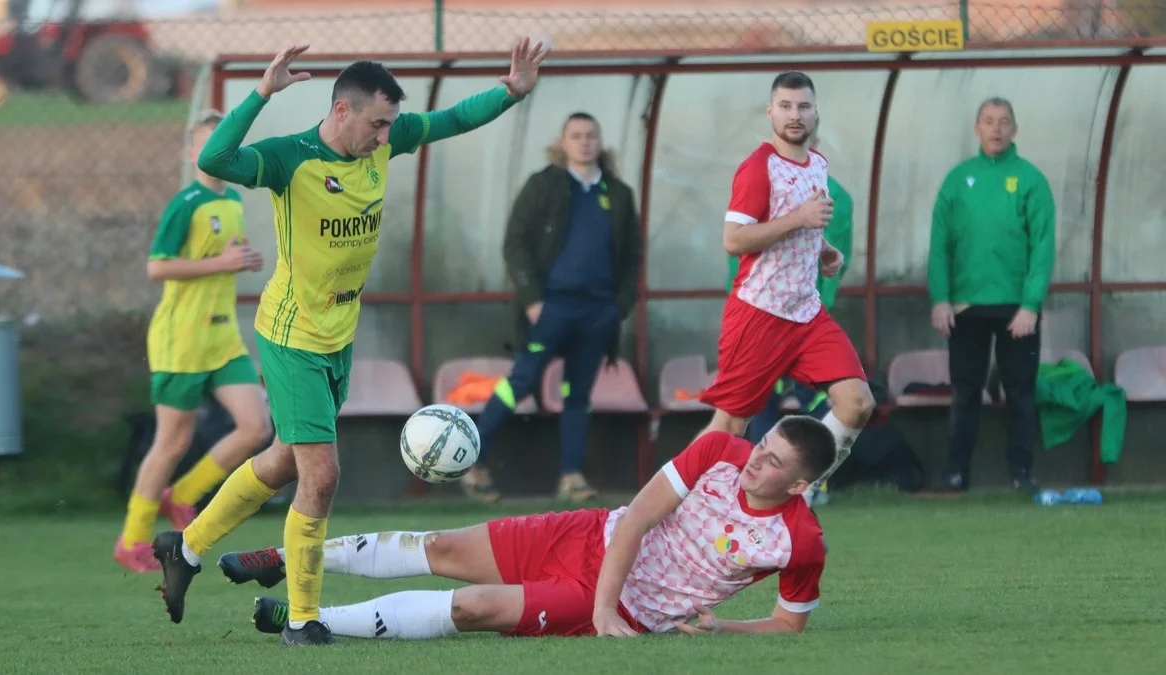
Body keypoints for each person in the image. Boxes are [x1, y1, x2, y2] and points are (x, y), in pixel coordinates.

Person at [150, 39, 548, 647]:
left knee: (286, 460)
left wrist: (511, 91)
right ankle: (305, 620)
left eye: (392, 125)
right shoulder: (291, 158)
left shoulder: (382, 144)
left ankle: (188, 548)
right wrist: (261, 93)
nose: (387, 137)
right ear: (342, 111)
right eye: (378, 124)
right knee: (322, 474)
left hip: (338, 335)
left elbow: (451, 120)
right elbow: (216, 155)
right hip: (291, 335)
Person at [215, 415, 835, 639]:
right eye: (763, 445)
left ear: (800, 486)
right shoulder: (721, 450)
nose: (756, 459)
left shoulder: (800, 540)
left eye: (774, 462)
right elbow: (639, 518)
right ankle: (280, 555)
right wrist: (600, 611)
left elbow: (788, 623)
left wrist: (722, 625)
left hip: (634, 607)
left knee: (472, 608)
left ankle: (310, 621)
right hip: (594, 536)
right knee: (443, 547)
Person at [698, 71, 874, 501]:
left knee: (857, 403)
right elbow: (734, 239)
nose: (796, 116)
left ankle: (799, 492)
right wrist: (800, 221)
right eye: (787, 107)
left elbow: (803, 226)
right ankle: (668, 512)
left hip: (807, 313)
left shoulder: (818, 164)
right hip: (759, 313)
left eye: (804, 107)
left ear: (816, 113)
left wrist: (823, 248)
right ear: (771, 112)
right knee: (729, 427)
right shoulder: (759, 167)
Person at [113, 111, 272, 574]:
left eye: (224, 143)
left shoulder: (236, 199)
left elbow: (221, 259)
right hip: (181, 338)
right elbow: (157, 267)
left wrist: (240, 262)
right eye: (206, 144)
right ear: (192, 154)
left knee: (256, 427)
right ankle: (132, 537)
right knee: (172, 441)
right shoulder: (185, 203)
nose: (215, 152)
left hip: (221, 335)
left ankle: (181, 497)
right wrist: (222, 264)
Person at [461, 112, 643, 504]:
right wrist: (533, 299)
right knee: (519, 383)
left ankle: (571, 476)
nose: (584, 143)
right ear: (563, 143)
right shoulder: (544, 186)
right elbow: (515, 244)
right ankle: (474, 464)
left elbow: (633, 257)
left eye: (591, 136)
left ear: (601, 142)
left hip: (598, 312)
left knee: (577, 394)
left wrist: (619, 308)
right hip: (551, 308)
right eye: (576, 136)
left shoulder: (619, 193)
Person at [928, 97, 1055, 493]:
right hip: (966, 307)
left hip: (1017, 309)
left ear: (1014, 129)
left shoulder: (1031, 180)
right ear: (976, 128)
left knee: (1020, 394)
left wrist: (1031, 305)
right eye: (988, 121)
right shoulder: (957, 179)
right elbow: (940, 244)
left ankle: (1021, 474)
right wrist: (940, 298)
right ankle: (956, 472)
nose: (996, 129)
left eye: (1003, 122)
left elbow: (1043, 247)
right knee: (965, 393)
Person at [740, 128, 855, 507]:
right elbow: (739, 249)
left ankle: (806, 483)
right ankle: (744, 489)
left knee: (841, 400)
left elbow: (835, 259)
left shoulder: (836, 194)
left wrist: (818, 308)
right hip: (758, 315)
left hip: (806, 318)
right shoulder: (760, 179)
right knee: (752, 404)